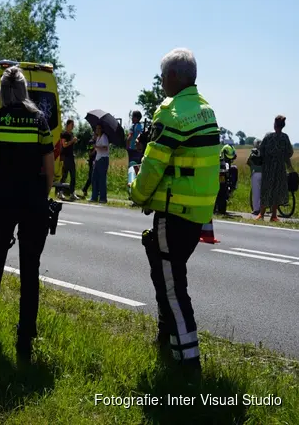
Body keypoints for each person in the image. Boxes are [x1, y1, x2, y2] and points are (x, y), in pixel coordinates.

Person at [130, 48, 221, 376]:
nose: (161, 81)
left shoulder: (170, 112)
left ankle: (188, 364)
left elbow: (154, 165)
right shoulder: (206, 110)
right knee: (167, 272)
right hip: (198, 213)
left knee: (172, 285)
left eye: (162, 75)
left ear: (171, 78)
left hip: (174, 210)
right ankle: (167, 341)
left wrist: (136, 192)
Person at [0, 65, 55, 361]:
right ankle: (25, 337)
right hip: (32, 200)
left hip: (1, 198)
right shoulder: (39, 121)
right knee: (30, 270)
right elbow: (50, 167)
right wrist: (43, 195)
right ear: (25, 91)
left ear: (4, 92)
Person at [257, 115, 294, 221]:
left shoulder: (268, 137)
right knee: (276, 191)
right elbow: (289, 152)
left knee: (266, 190)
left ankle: (261, 214)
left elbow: (261, 151)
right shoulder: (285, 137)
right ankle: (274, 215)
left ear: (274, 125)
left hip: (268, 168)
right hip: (280, 168)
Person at [59, 119, 78, 200]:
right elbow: (64, 145)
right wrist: (72, 141)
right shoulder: (64, 134)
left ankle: (72, 193)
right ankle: (60, 192)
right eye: (72, 124)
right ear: (68, 125)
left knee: (73, 175)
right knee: (64, 175)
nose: (73, 126)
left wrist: (74, 141)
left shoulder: (72, 134)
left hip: (71, 156)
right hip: (66, 157)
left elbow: (70, 144)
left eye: (73, 125)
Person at [90, 124, 109, 203]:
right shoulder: (98, 137)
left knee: (102, 179)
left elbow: (105, 148)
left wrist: (96, 147)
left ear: (102, 129)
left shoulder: (104, 137)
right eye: (96, 128)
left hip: (103, 159)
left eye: (99, 128)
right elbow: (97, 148)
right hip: (98, 159)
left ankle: (103, 198)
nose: (97, 130)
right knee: (94, 178)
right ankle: (94, 197)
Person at [76, 133, 96, 199]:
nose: (96, 136)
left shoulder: (97, 141)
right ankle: (85, 189)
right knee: (91, 177)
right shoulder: (91, 142)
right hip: (92, 161)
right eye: (95, 135)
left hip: (97, 161)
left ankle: (85, 189)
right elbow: (90, 153)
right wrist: (95, 149)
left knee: (93, 177)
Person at [247, 139, 263, 215]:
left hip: (255, 173)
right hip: (264, 173)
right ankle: (263, 208)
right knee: (263, 191)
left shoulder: (253, 152)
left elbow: (248, 162)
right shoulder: (265, 152)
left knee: (256, 192)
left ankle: (256, 210)